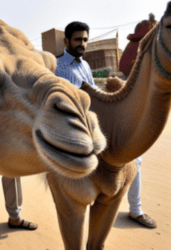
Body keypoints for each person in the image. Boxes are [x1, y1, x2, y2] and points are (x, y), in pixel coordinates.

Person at [55, 21, 157, 228]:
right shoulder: (58, 67)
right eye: (77, 39)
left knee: (135, 157)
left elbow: (93, 93)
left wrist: (110, 90)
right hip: (76, 128)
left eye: (85, 39)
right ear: (66, 41)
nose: (82, 43)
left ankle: (135, 210)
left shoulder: (84, 65)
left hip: (97, 122)